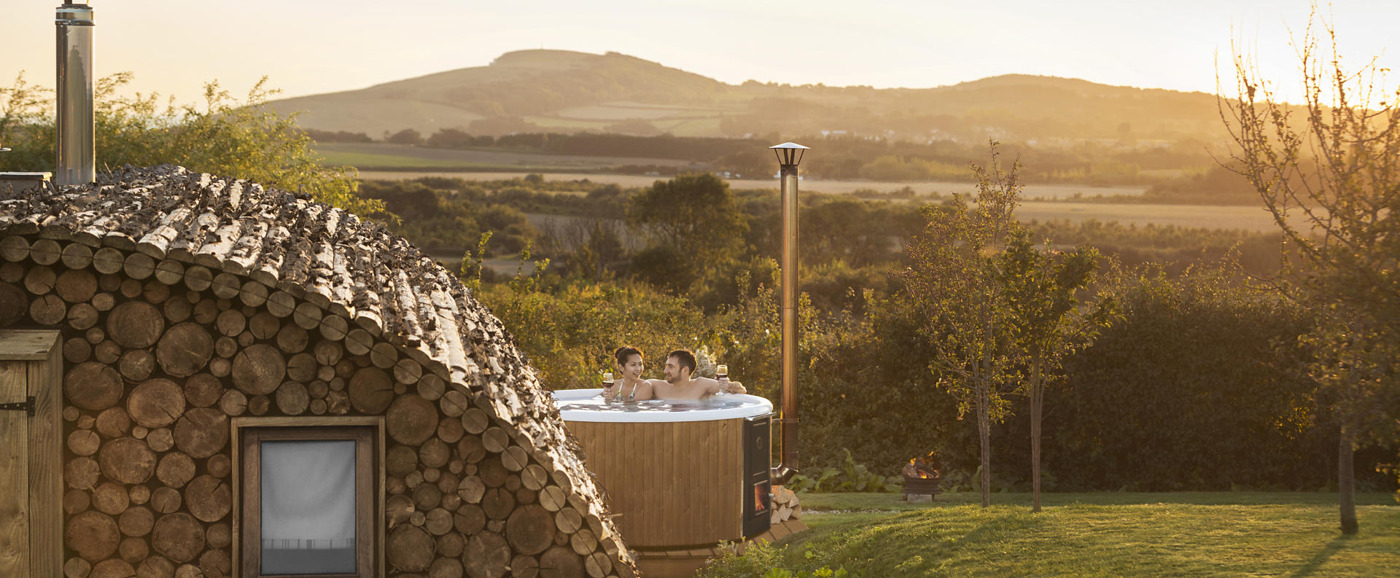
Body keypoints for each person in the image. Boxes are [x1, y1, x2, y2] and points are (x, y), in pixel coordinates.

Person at [651, 349, 746, 400]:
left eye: (670, 367)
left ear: (685, 370)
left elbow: (742, 390)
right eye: (666, 366)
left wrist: (728, 386)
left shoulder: (701, 385)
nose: (665, 371)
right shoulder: (658, 387)